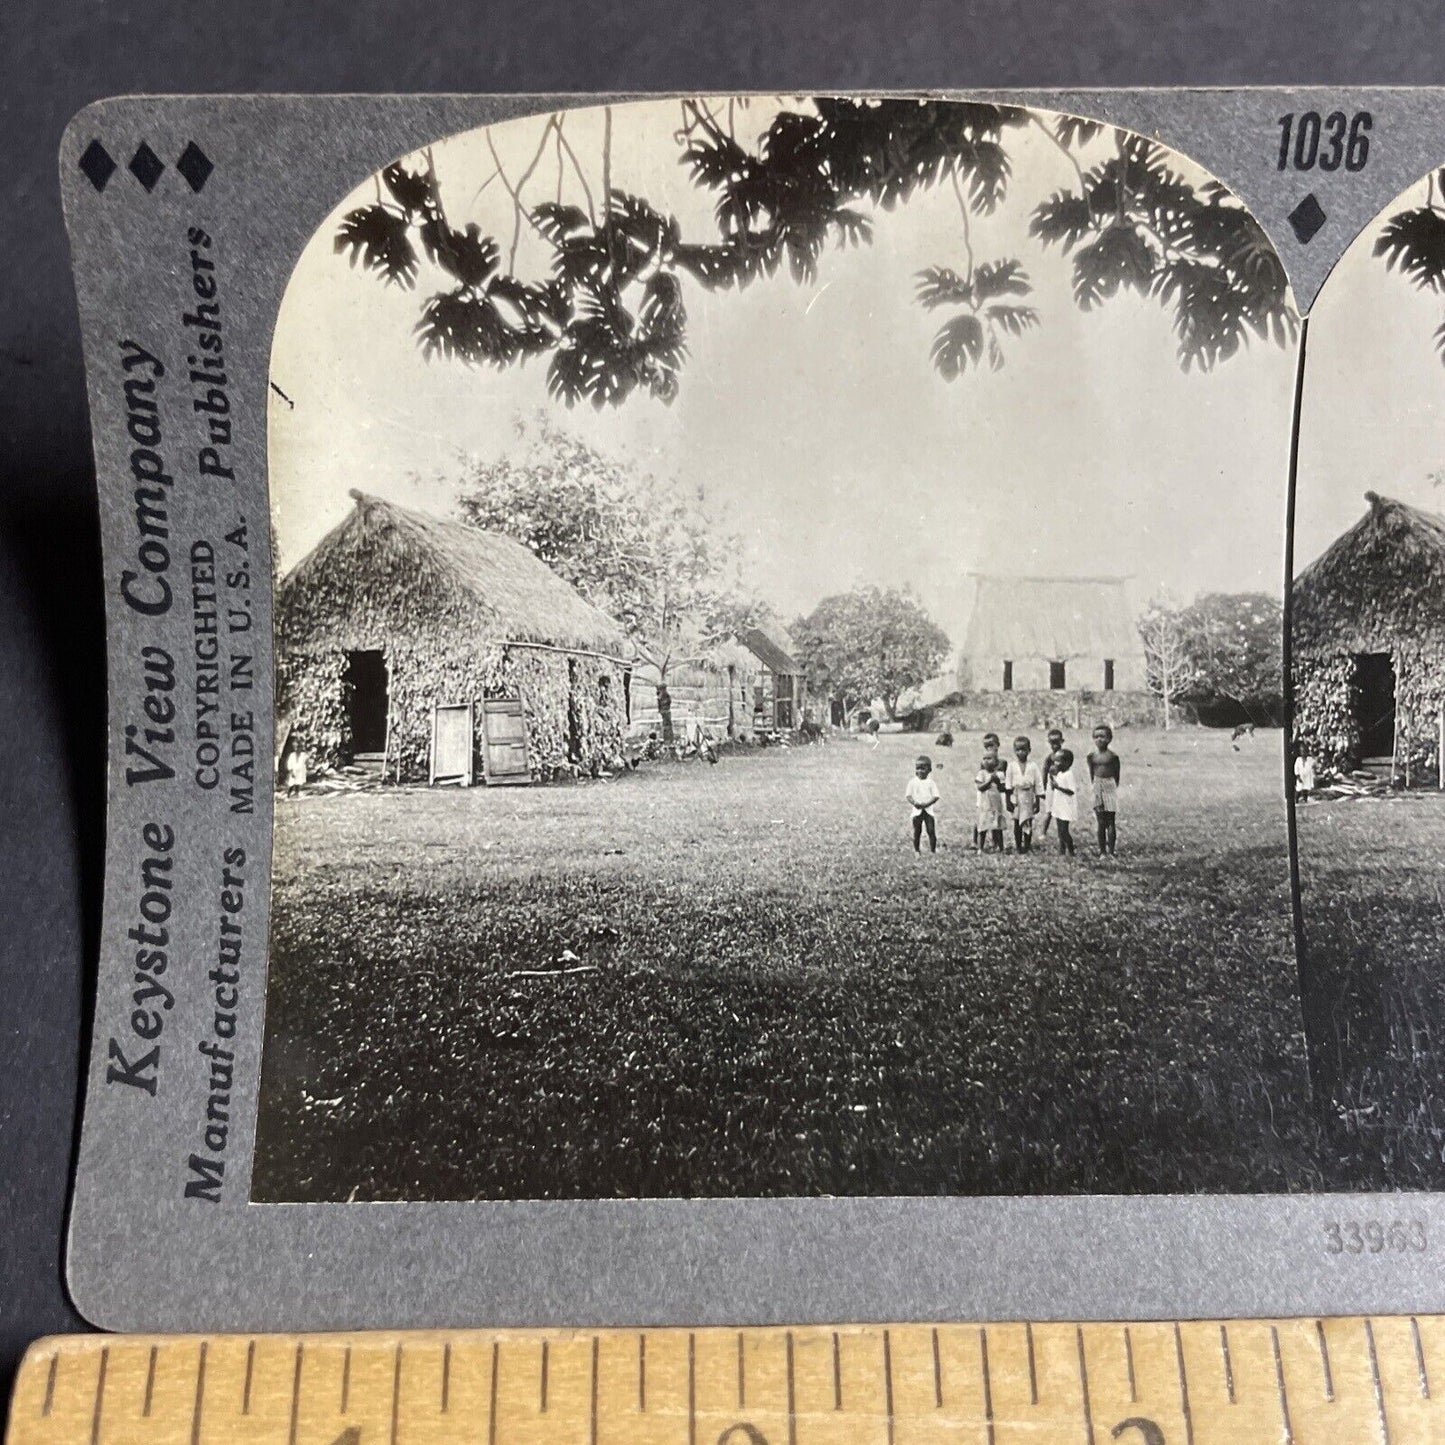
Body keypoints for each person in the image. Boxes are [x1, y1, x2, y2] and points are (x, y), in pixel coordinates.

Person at [1005, 735, 1044, 853]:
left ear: (1029, 750)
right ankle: (1018, 846)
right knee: (1017, 822)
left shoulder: (1033, 766)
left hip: (1028, 796)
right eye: (1018, 750)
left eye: (1023, 749)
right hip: (1016, 796)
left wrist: (1037, 801)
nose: (1020, 752)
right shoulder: (1011, 766)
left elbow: (1038, 783)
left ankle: (1027, 845)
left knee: (1027, 821)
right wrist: (1008, 800)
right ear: (1014, 750)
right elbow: (1008, 784)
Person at [1088, 723, 1122, 856]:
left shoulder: (1113, 757)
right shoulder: (1092, 756)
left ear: (1109, 739)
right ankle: (1102, 851)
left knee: (1110, 820)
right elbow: (1091, 773)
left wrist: (1111, 787)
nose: (1099, 739)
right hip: (1097, 786)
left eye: (1102, 736)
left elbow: (1116, 774)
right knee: (1100, 821)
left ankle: (1111, 851)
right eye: (1096, 737)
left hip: (1109, 785)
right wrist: (1096, 787)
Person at [905, 754, 941, 854]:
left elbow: (936, 796)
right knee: (917, 831)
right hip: (917, 811)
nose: (920, 771)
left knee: (931, 831)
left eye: (923, 769)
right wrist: (914, 803)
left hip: (928, 811)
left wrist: (927, 804)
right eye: (918, 768)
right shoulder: (912, 782)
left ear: (929, 770)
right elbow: (908, 795)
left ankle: (933, 850)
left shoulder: (931, 783)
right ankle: (917, 850)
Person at [974, 747, 1006, 852]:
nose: (986, 761)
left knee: (997, 827)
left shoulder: (999, 774)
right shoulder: (981, 774)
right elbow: (980, 787)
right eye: (984, 758)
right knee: (982, 827)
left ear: (996, 762)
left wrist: (997, 781)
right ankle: (980, 848)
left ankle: (1001, 847)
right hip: (984, 805)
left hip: (996, 805)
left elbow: (1002, 789)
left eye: (989, 758)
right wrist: (989, 780)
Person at [1050, 747, 1080, 855]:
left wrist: (1058, 787)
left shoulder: (1068, 774)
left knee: (1064, 830)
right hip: (1059, 804)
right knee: (1059, 829)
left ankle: (1071, 849)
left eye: (1058, 761)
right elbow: (1055, 786)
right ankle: (1061, 849)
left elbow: (1071, 791)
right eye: (1055, 761)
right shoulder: (1060, 773)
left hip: (1066, 806)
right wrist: (1052, 781)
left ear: (1067, 762)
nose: (1056, 763)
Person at [1040, 727, 1066, 835]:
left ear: (1062, 741)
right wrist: (1044, 788)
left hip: (1062, 786)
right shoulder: (1049, 758)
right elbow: (1045, 772)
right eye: (1052, 743)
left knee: (1062, 811)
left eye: (1057, 742)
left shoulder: (1065, 755)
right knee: (1049, 811)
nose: (1054, 745)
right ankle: (1043, 832)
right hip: (1051, 786)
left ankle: (1062, 832)